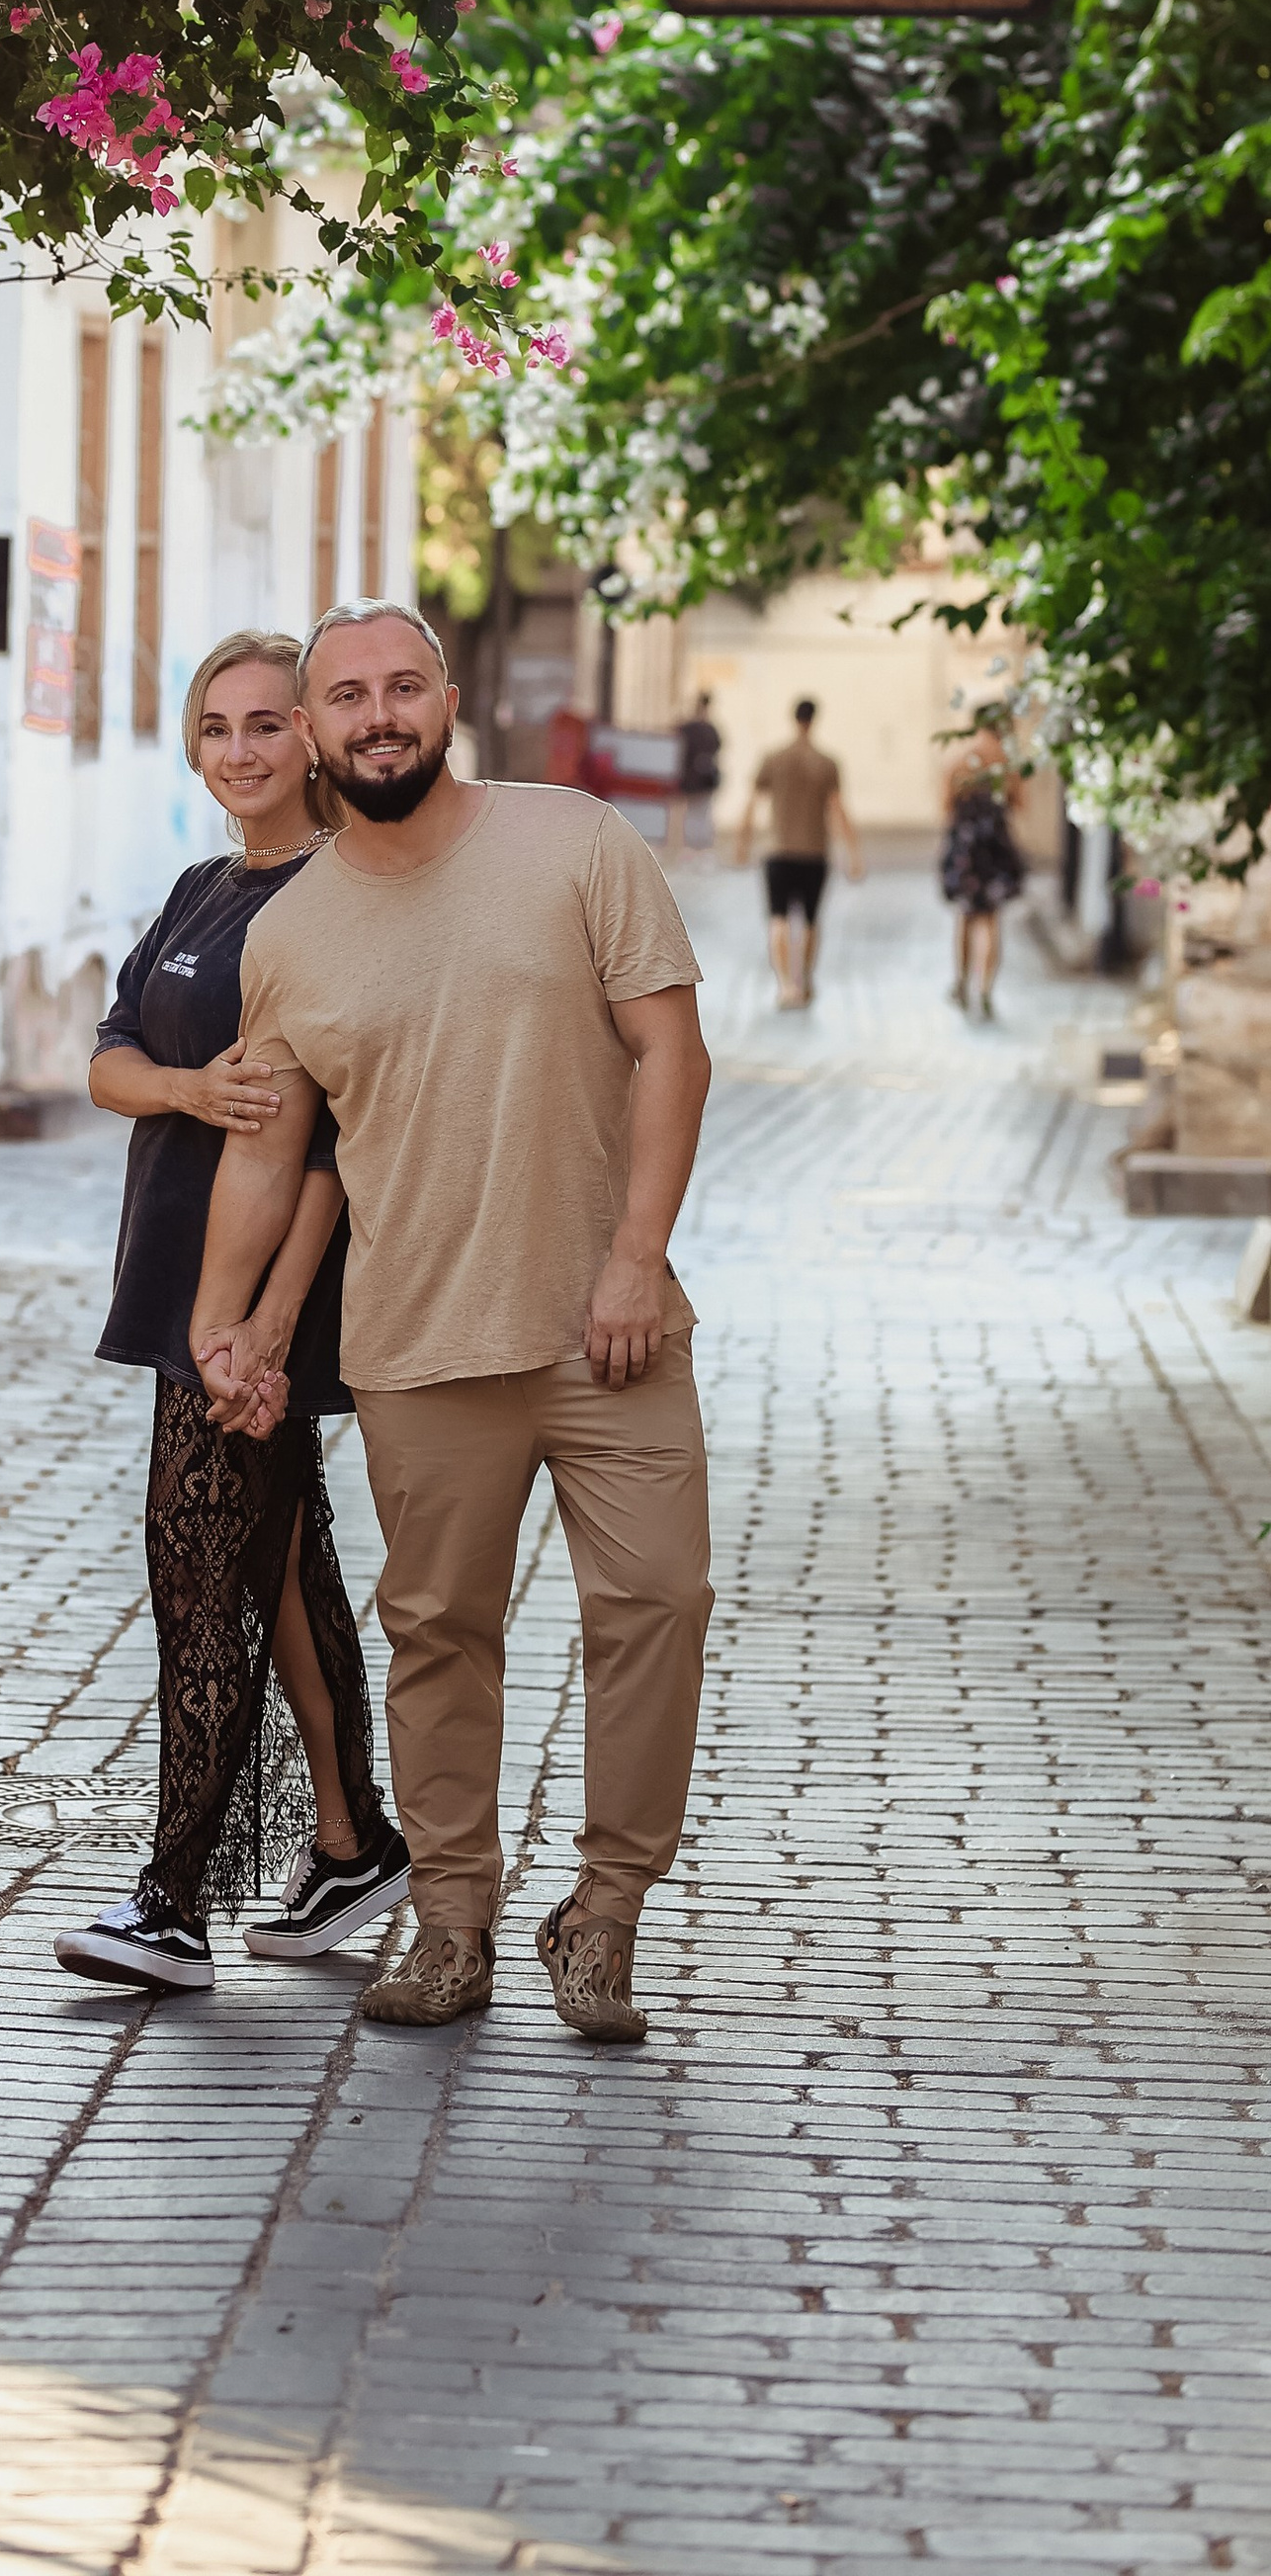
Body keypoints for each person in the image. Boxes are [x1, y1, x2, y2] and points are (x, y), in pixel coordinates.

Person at [184, 600, 715, 2047]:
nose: (379, 717)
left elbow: (672, 1049)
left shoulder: (576, 843)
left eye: (402, 687)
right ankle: (454, 1918)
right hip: (417, 1340)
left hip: (610, 1329)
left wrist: (635, 1258)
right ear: (313, 730)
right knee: (439, 1636)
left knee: (659, 1605)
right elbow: (268, 1152)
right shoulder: (288, 934)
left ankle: (604, 1914)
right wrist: (227, 1324)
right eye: (347, 696)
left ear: (447, 700)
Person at [54, 630, 407, 1997]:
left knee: (198, 1568)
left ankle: (175, 1899)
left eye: (267, 723)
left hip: (262, 1296)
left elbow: (336, 1143)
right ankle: (353, 1842)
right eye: (217, 727)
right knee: (273, 1562)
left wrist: (263, 1327)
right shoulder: (205, 887)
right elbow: (107, 1058)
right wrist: (187, 1091)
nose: (241, 750)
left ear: (311, 738)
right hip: (179, 1270)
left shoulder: (341, 893)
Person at [734, 696, 863, 1009]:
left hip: (778, 849)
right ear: (814, 720)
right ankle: (803, 979)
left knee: (778, 918)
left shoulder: (774, 758)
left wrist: (743, 841)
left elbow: (752, 802)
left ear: (793, 718)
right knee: (810, 920)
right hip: (814, 851)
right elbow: (838, 809)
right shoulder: (827, 762)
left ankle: (785, 985)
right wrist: (853, 852)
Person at [940, 717, 1027, 1016]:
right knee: (990, 918)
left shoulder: (959, 759)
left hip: (965, 844)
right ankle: (985, 987)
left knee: (965, 915)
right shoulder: (1006, 761)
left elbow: (945, 804)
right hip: (994, 845)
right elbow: (1020, 803)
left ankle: (962, 982)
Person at [677, 692, 721, 856]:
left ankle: (698, 848)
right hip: (695, 779)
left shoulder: (705, 729)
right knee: (696, 814)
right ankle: (694, 847)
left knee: (700, 813)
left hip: (701, 779)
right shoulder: (700, 729)